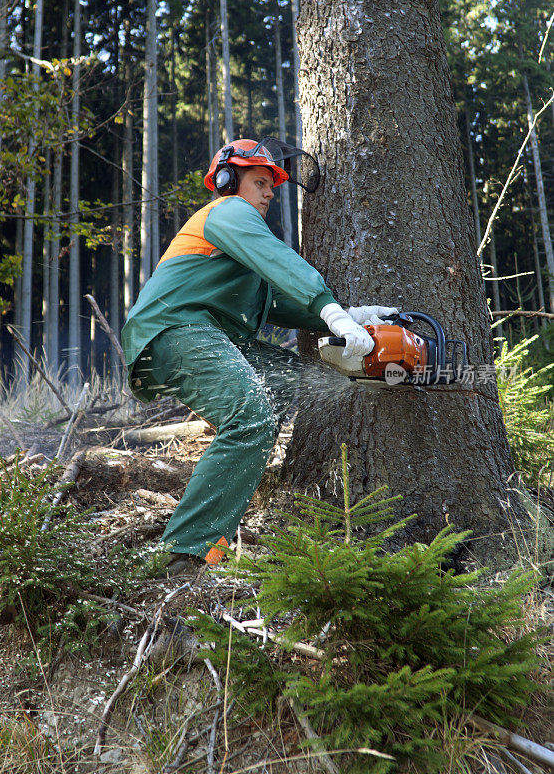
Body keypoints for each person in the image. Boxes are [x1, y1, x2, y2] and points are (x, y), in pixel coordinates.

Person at [121, 138, 398, 575]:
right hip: (174, 329)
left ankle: (211, 542)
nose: (270, 192)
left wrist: (347, 318)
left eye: (272, 185)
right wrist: (327, 304)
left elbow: (280, 302)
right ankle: (183, 553)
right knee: (251, 417)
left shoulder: (243, 257)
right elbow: (278, 260)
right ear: (229, 182)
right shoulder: (228, 213)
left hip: (212, 337)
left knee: (293, 378)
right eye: (260, 181)